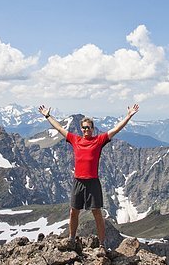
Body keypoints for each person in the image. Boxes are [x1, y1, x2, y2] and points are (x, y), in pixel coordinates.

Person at [38, 104, 139, 249]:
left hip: (92, 182)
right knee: (74, 211)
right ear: (81, 129)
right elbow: (59, 128)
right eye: (84, 127)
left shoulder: (99, 140)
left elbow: (116, 129)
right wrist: (47, 116)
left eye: (88, 127)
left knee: (97, 213)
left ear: (93, 129)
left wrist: (129, 116)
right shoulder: (75, 140)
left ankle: (102, 244)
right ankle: (72, 239)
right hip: (78, 181)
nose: (86, 130)